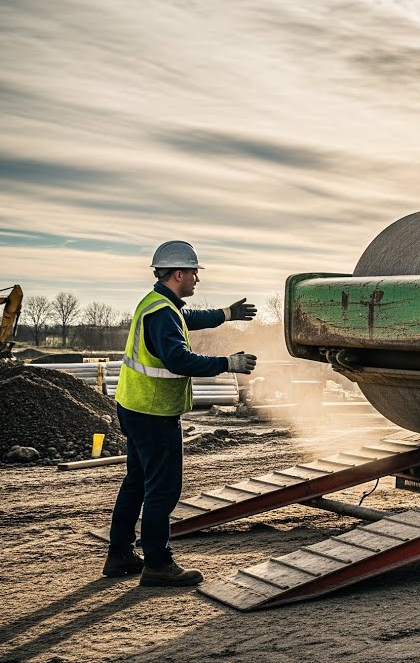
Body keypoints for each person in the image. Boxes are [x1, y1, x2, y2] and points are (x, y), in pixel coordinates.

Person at [103, 240, 259, 586]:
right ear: (178, 274)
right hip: (154, 414)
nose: (196, 279)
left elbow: (187, 318)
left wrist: (227, 314)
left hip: (135, 407)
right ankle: (158, 564)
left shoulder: (158, 304)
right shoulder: (162, 313)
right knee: (162, 489)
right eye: (193, 273)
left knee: (137, 482)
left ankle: (120, 554)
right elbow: (179, 360)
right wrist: (228, 363)